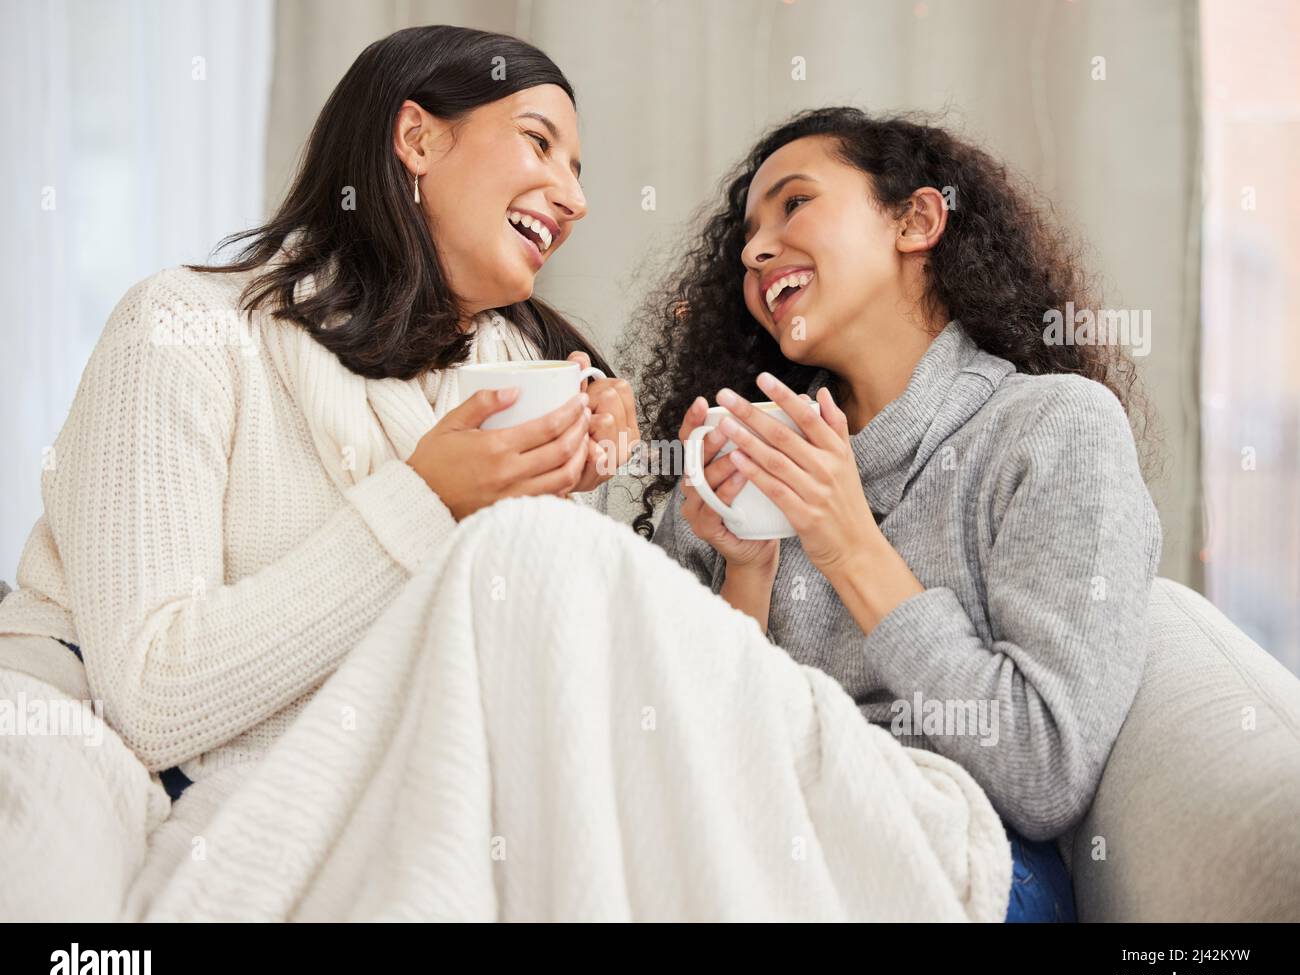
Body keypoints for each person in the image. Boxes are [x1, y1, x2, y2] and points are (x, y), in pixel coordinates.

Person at [0, 24, 637, 807]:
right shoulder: (183, 328)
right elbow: (151, 696)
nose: (576, 199)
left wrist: (570, 500)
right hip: (74, 756)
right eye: (539, 144)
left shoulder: (513, 380)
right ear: (418, 138)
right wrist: (426, 500)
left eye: (576, 171)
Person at [632, 107, 1163, 922]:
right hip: (752, 848)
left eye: (795, 204)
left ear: (917, 219)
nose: (754, 249)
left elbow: (1044, 771)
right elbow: (686, 760)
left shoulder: (1053, 429)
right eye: (747, 234)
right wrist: (747, 571)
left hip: (957, 861)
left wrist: (849, 545)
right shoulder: (740, 463)